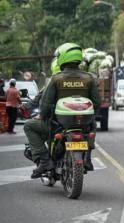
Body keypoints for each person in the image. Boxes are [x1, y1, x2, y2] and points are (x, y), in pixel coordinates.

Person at [24, 43, 100, 178]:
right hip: (84, 124)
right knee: (91, 128)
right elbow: (97, 103)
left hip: (57, 125)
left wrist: (41, 116)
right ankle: (87, 159)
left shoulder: (56, 78)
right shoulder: (89, 78)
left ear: (63, 58)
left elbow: (46, 103)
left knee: (29, 126)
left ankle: (44, 161)